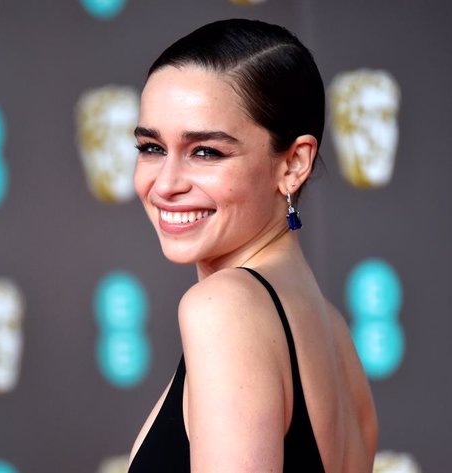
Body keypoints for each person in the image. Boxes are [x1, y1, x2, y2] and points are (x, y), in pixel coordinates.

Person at [127, 19, 377, 472]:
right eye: (151, 147)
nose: (165, 185)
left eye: (206, 151)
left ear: (293, 163)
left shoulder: (225, 309)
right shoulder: (334, 332)